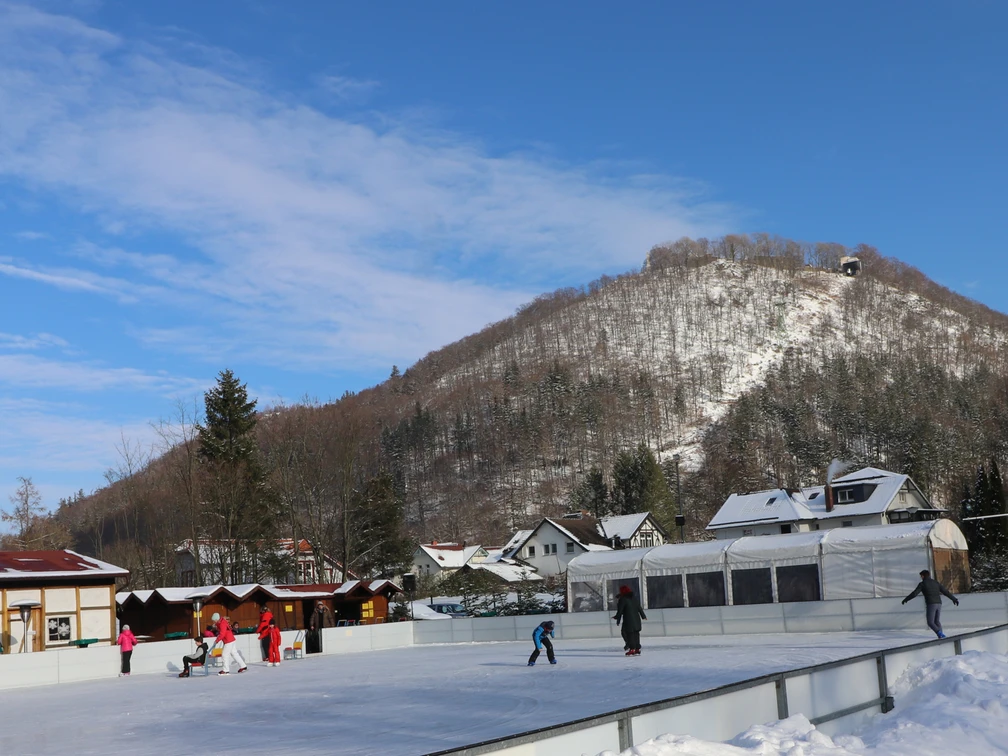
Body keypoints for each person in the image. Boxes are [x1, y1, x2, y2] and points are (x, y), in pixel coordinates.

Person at [902, 569, 959, 638]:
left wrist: (906, 599)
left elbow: (915, 593)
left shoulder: (922, 584)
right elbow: (945, 592)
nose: (921, 578)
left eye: (921, 576)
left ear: (923, 576)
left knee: (930, 622)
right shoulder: (935, 582)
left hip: (931, 604)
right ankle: (941, 637)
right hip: (939, 603)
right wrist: (954, 599)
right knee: (937, 621)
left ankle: (940, 634)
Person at [614, 585, 647, 656]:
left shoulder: (622, 599)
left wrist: (616, 617)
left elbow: (620, 610)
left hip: (629, 619)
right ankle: (637, 649)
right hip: (636, 619)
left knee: (630, 634)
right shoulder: (634, 598)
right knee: (636, 633)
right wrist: (643, 616)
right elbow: (639, 608)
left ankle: (632, 649)